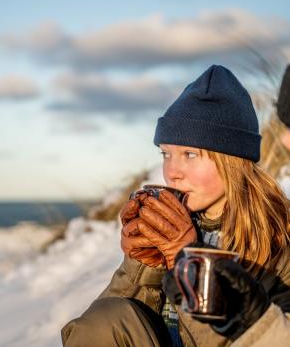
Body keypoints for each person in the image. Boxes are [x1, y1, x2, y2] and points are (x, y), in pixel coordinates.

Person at [61, 65, 290, 347]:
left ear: (233, 161)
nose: (172, 171)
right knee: (106, 318)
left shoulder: (278, 239)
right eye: (166, 154)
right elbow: (97, 332)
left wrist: (191, 266)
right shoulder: (175, 224)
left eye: (190, 154)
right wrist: (145, 266)